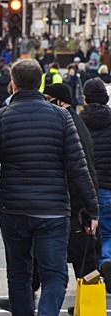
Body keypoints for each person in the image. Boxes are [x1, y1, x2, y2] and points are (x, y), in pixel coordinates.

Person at [0, 59, 99, 315]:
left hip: (14, 207)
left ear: (13, 85)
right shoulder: (61, 117)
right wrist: (92, 209)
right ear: (40, 84)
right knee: (55, 275)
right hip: (53, 208)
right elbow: (77, 166)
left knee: (18, 275)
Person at [79, 78, 111, 288]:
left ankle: (100, 265)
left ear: (85, 99)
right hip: (110, 185)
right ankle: (107, 259)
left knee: (91, 233)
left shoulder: (77, 122)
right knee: (109, 231)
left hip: (88, 186)